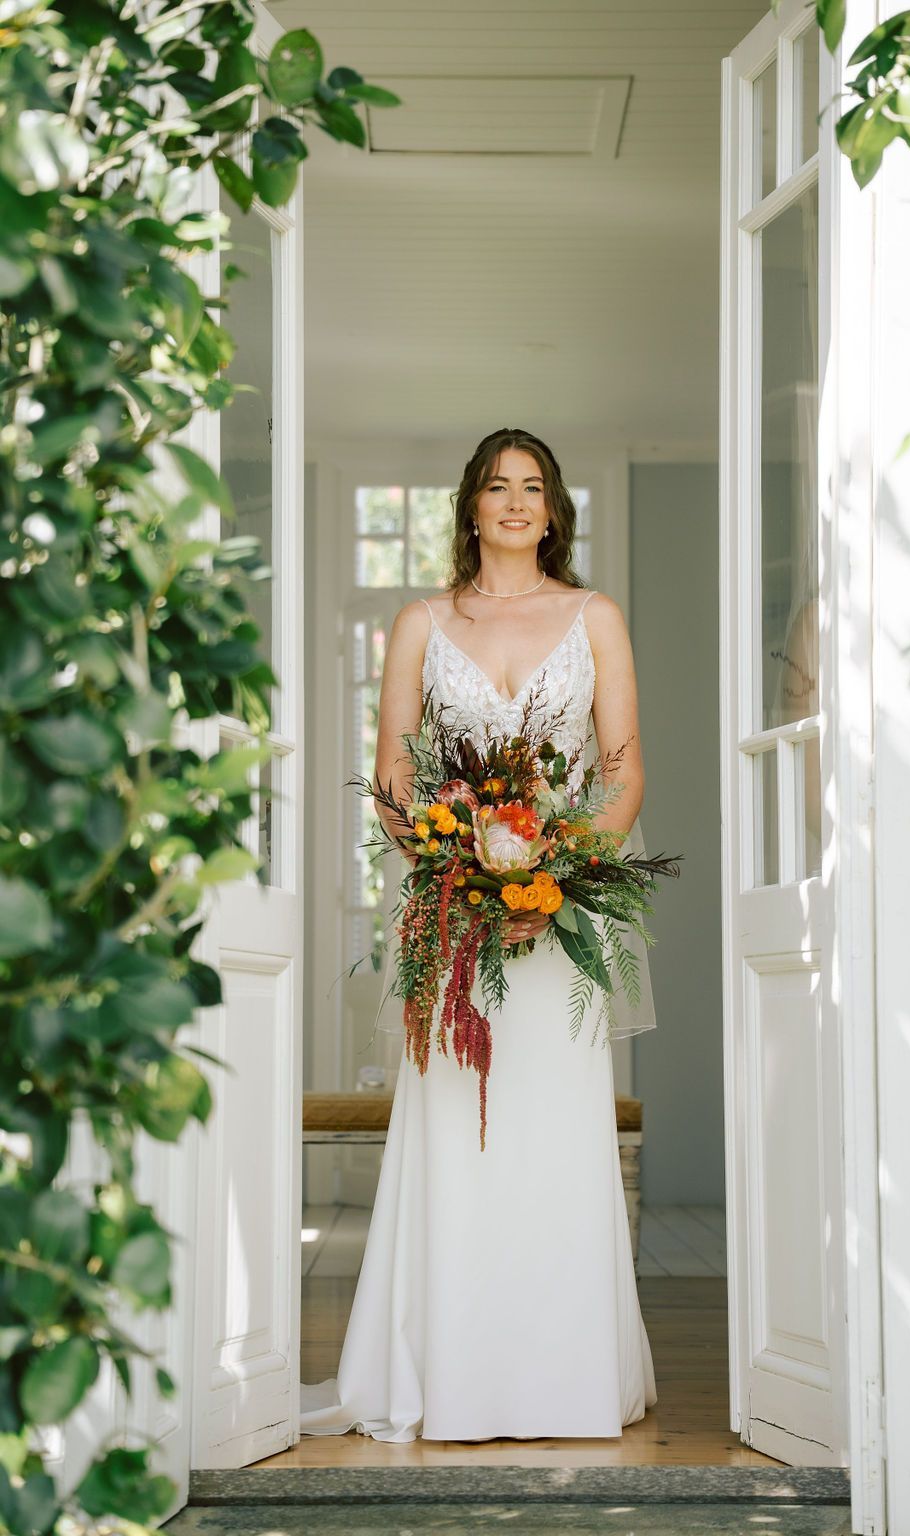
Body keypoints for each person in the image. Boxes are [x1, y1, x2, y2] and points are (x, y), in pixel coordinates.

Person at [299, 427, 658, 1442]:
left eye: (531, 487)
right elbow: (394, 780)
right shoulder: (422, 622)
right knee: (462, 1134)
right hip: (455, 918)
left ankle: (564, 1380)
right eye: (496, 486)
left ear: (553, 511)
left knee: (550, 1136)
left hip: (554, 924)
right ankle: (447, 1374)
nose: (512, 502)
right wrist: (463, 868)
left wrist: (549, 871)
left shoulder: (595, 618)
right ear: (469, 506)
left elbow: (623, 770)